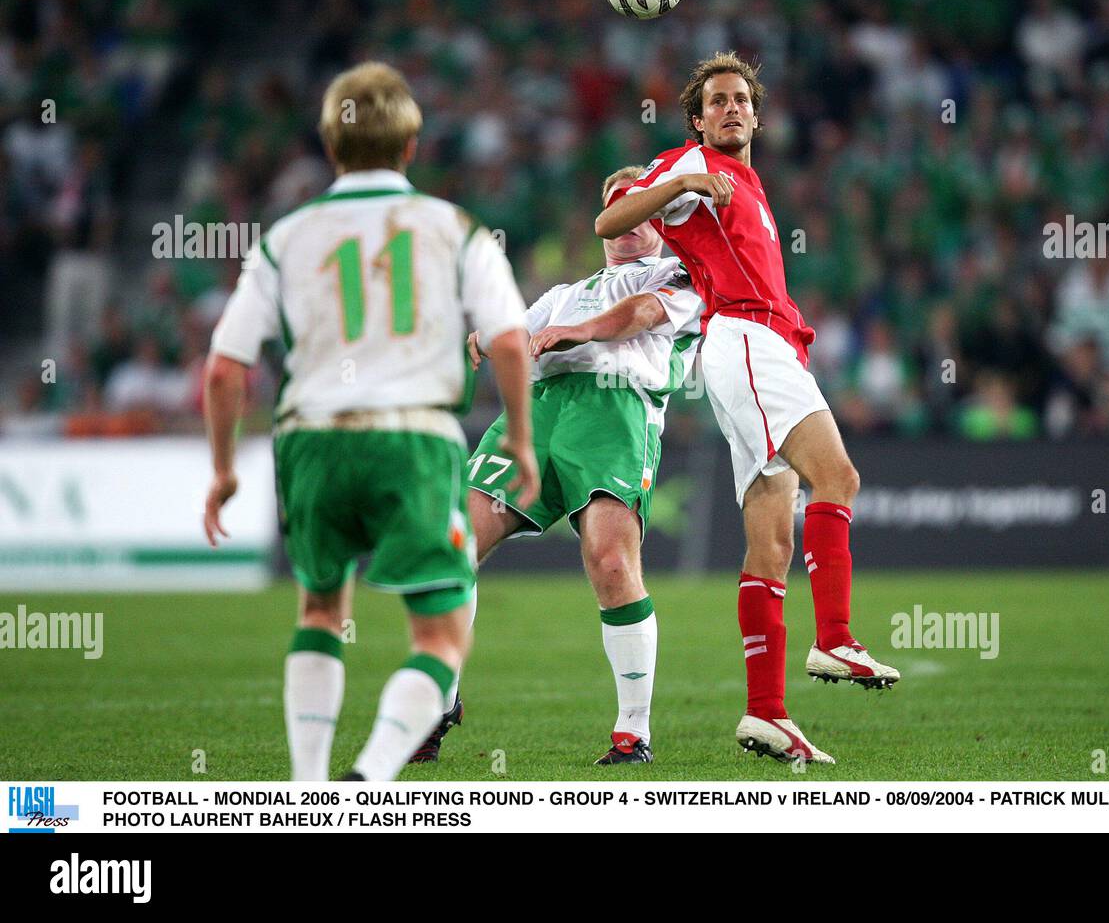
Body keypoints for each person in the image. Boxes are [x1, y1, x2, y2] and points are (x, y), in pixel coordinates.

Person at [201, 61, 538, 781]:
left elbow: (226, 367)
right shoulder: (458, 229)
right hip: (413, 437)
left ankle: (310, 787)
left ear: (330, 147)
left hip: (310, 438)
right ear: (412, 147)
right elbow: (509, 341)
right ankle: (371, 776)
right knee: (441, 634)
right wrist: (519, 437)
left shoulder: (285, 237)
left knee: (320, 611)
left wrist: (226, 471)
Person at [595, 52, 899, 765]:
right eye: (717, 102)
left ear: (757, 115)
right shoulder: (688, 164)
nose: (731, 109)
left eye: (741, 100)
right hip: (748, 340)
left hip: (756, 351)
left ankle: (767, 713)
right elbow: (612, 216)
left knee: (771, 542)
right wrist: (685, 175)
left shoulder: (749, 180)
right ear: (697, 119)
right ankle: (834, 637)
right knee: (840, 479)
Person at [413, 165, 703, 766]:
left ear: (657, 216)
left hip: (614, 413)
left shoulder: (683, 274)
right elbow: (512, 337)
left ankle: (632, 731)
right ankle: (440, 702)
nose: (627, 217)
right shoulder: (563, 295)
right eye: (615, 205)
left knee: (611, 562)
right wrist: (484, 340)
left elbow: (642, 316)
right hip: (536, 416)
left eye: (640, 204)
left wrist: (577, 333)